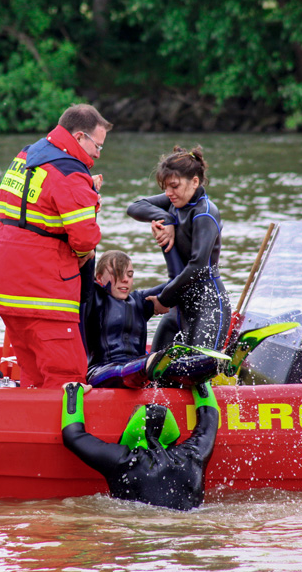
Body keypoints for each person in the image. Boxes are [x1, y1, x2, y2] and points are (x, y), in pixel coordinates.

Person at [0, 104, 112, 389]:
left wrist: (84, 192)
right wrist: (91, 199)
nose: (97, 154)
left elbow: (32, 209)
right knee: (66, 376)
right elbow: (85, 239)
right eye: (97, 145)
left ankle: (27, 428)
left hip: (7, 288)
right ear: (79, 137)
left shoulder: (25, 155)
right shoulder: (71, 173)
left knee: (32, 376)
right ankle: (68, 433)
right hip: (45, 291)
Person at [126, 146, 230, 352]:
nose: (167, 193)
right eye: (165, 187)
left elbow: (198, 266)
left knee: (195, 373)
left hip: (207, 307)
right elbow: (135, 206)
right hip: (179, 306)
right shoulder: (174, 202)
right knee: (156, 371)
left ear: (194, 181)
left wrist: (163, 299)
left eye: (174, 186)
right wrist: (167, 219)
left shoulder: (205, 213)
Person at [61, 381, 219, 511]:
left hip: (138, 529)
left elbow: (73, 436)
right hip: (187, 528)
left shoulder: (123, 461)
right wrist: (199, 383)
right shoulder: (193, 455)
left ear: (131, 429)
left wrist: (73, 391)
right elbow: (209, 419)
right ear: (171, 432)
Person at [82, 250, 225, 388]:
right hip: (102, 372)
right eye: (117, 273)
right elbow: (87, 254)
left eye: (130, 275)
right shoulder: (92, 298)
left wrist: (166, 244)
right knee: (131, 369)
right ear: (99, 278)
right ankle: (152, 363)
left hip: (143, 370)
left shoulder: (139, 301)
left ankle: (219, 362)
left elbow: (178, 280)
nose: (125, 279)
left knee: (176, 367)